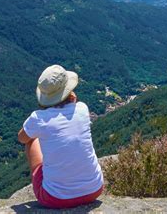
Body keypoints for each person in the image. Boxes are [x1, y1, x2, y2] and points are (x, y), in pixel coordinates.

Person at [18, 65, 104, 209]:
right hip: (94, 190)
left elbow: (22, 138)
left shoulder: (39, 118)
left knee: (32, 140)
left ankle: (46, 178)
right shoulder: (82, 108)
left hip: (55, 198)